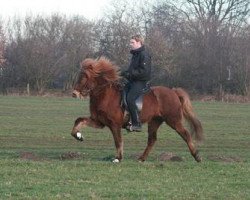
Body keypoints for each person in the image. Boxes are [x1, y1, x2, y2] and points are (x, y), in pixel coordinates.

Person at [122, 34, 151, 132]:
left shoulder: (144, 54)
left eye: (132, 42)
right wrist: (124, 73)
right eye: (130, 42)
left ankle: (136, 124)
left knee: (130, 98)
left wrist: (130, 74)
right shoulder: (135, 55)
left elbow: (144, 72)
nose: (130, 44)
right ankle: (126, 120)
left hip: (140, 82)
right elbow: (132, 70)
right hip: (132, 81)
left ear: (139, 42)